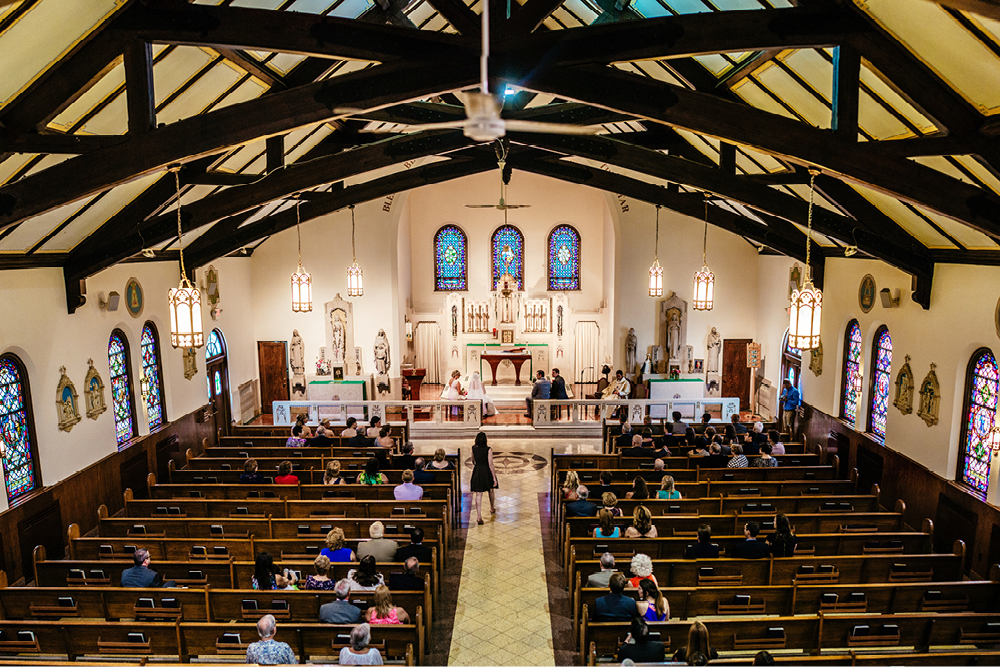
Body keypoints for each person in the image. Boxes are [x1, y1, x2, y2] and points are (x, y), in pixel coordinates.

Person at [470, 432, 498, 524]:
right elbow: (491, 464)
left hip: (477, 471)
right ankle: (492, 507)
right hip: (486, 471)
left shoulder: (473, 448)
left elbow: (473, 461)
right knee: (491, 490)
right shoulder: (488, 449)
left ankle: (479, 516)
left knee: (478, 494)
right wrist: (494, 478)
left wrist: (478, 465)